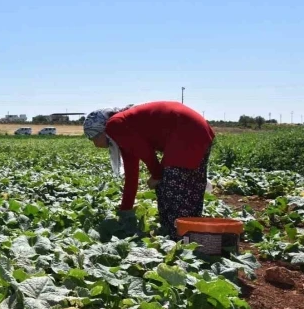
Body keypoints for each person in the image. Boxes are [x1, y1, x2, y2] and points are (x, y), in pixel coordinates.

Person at [83, 101, 215, 238]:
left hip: (184, 131)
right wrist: (125, 212)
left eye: (91, 138)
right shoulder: (124, 128)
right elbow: (131, 177)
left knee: (169, 190)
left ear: (100, 132)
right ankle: (193, 233)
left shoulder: (114, 125)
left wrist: (157, 176)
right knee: (191, 188)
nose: (94, 144)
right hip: (198, 129)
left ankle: (180, 237)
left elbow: (146, 152)